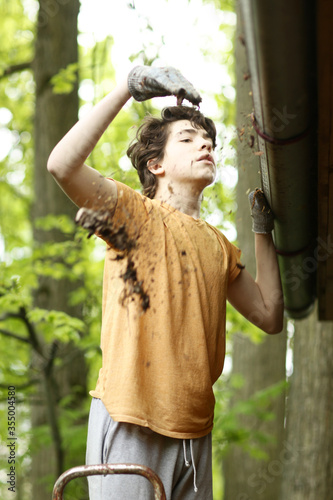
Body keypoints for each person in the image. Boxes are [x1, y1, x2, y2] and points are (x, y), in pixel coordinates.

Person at [47, 66, 284, 500]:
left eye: (207, 139)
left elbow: (270, 315)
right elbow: (61, 165)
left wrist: (261, 228)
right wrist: (129, 86)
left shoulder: (219, 245)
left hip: (196, 435)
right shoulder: (132, 213)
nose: (205, 144)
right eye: (188, 139)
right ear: (156, 165)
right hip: (131, 419)